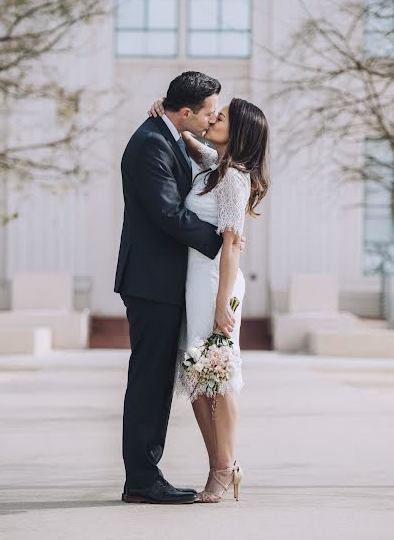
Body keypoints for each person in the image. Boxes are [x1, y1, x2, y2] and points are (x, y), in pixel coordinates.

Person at [114, 71, 246, 505]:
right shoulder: (152, 142)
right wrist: (222, 240)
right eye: (209, 112)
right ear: (186, 111)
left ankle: (153, 474)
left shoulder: (170, 136)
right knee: (150, 381)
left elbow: (213, 164)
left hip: (172, 282)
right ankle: (142, 480)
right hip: (152, 283)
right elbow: (169, 213)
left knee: (166, 379)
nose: (212, 120)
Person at [148, 95, 269, 503]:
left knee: (220, 376)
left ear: (240, 132)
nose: (215, 117)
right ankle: (220, 465)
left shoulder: (234, 177)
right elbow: (190, 140)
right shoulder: (214, 168)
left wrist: (222, 306)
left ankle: (225, 468)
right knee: (198, 376)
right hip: (195, 281)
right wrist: (171, 115)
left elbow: (232, 244)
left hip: (218, 283)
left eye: (224, 116)